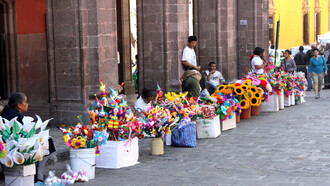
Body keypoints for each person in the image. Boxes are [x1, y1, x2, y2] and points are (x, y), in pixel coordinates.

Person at [1, 92, 55, 182]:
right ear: (19, 105)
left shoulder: (6, 112)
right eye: (25, 102)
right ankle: (38, 174)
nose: (27, 104)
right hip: (13, 145)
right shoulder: (19, 117)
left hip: (8, 143)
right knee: (48, 141)